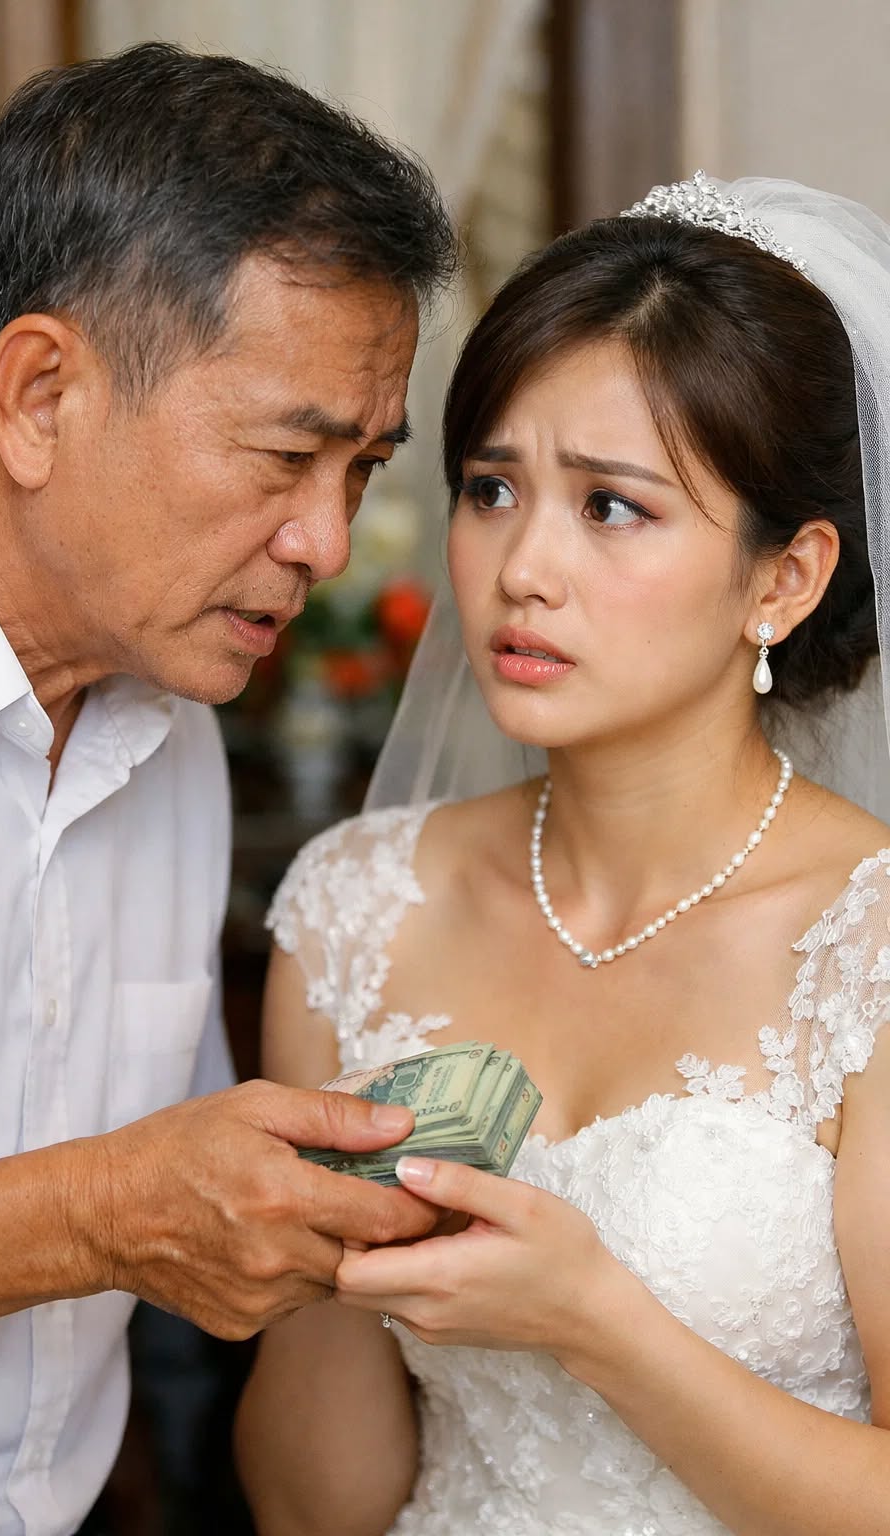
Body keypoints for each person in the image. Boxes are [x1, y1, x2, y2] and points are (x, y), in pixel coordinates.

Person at [235, 173, 890, 1535]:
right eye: (491, 489)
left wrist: (596, 1320)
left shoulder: (870, 946)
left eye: (612, 507)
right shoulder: (359, 905)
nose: (522, 567)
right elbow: (321, 1505)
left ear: (785, 578)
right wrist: (326, 1263)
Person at [0, 41, 458, 1536]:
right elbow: (119, 1205)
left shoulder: (166, 714)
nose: (328, 542)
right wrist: (99, 1214)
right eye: (286, 455)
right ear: (41, 393)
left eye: (362, 470)